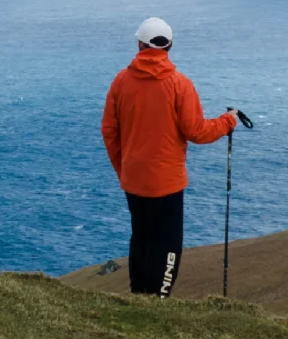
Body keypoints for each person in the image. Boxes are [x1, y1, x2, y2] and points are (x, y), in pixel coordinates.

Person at [101, 17, 241, 297]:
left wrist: (123, 169)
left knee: (141, 237)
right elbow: (196, 131)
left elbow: (109, 131)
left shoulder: (120, 81)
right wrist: (228, 121)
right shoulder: (180, 84)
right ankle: (160, 299)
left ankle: (139, 297)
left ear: (140, 45)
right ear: (170, 46)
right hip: (167, 182)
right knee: (167, 245)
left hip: (134, 178)